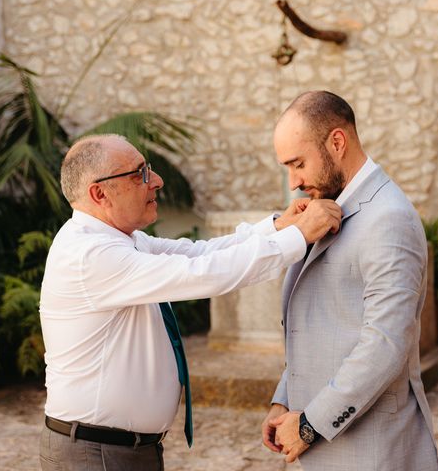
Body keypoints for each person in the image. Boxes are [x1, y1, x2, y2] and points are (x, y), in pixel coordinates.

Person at [38, 133, 341, 471]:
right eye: (139, 173)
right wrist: (300, 236)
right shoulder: (90, 255)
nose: (156, 181)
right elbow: (201, 273)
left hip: (119, 449)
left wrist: (279, 227)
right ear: (100, 193)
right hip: (96, 454)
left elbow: (200, 252)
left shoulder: (121, 240)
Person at [261, 91, 438, 470]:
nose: (294, 182)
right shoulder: (327, 206)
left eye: (298, 164)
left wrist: (309, 426)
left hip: (372, 449)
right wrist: (285, 397)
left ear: (337, 142)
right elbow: (320, 323)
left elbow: (385, 343)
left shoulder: (388, 218)